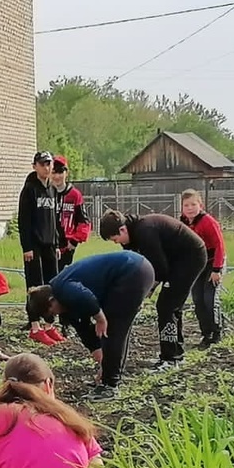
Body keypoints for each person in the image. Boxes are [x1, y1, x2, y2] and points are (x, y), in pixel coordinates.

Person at [26, 250, 156, 397]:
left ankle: (110, 385)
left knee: (113, 328)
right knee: (113, 330)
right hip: (133, 273)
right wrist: (103, 364)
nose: (56, 315)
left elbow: (85, 296)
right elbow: (86, 334)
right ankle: (110, 377)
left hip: (132, 270)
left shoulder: (62, 287)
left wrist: (100, 319)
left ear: (51, 301)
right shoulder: (67, 307)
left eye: (51, 313)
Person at [99, 210, 207, 370]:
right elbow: (137, 267)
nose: (117, 243)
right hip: (174, 260)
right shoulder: (131, 234)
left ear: (122, 229)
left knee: (167, 305)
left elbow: (159, 269)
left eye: (115, 239)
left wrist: (145, 292)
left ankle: (172, 358)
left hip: (189, 258)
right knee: (170, 305)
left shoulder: (145, 232)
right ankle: (173, 353)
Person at [19, 151, 63, 342]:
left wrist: (57, 243)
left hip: (49, 245)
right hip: (34, 246)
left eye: (49, 164)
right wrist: (27, 246)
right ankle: (35, 326)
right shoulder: (29, 189)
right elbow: (24, 220)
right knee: (34, 286)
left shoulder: (52, 189)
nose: (47, 168)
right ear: (35, 166)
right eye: (43, 164)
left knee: (52, 285)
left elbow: (55, 219)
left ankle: (49, 325)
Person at [179, 189, 227, 347]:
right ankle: (206, 333)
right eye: (186, 205)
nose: (190, 208)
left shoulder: (208, 222)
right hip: (198, 264)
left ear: (201, 205)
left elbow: (220, 245)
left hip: (213, 262)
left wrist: (217, 270)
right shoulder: (183, 223)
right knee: (198, 299)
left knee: (210, 298)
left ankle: (217, 332)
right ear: (182, 208)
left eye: (193, 204)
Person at [52, 157, 90, 270]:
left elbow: (84, 221)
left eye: (60, 172)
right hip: (49, 244)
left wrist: (74, 241)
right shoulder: (46, 193)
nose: (57, 176)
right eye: (54, 173)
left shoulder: (75, 195)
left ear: (66, 173)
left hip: (67, 246)